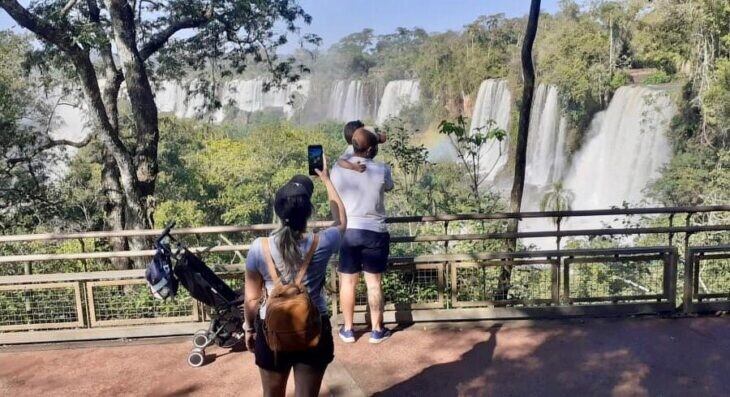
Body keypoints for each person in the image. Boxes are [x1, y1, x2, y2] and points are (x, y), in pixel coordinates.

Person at [243, 156, 347, 397]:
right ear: (308, 212)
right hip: (314, 327)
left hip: (271, 328)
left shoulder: (260, 247)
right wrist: (326, 179)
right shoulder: (322, 241)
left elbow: (251, 299)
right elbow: (341, 221)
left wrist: (249, 329)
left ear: (277, 210)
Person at [330, 128, 394, 344]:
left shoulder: (338, 169)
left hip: (348, 232)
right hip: (375, 231)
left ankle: (348, 330)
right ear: (372, 148)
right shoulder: (382, 170)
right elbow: (390, 187)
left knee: (347, 282)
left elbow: (346, 155)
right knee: (374, 283)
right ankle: (377, 330)